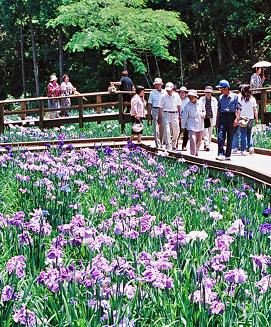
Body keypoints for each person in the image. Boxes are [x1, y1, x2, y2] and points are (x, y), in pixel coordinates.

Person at [216, 80, 242, 161]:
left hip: (231, 117)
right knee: (220, 135)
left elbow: (238, 108)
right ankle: (220, 153)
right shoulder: (220, 97)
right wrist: (217, 120)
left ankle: (227, 155)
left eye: (221, 88)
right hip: (222, 117)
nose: (220, 90)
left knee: (230, 136)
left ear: (226, 88)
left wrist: (237, 119)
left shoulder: (235, 96)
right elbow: (219, 109)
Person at [182, 90, 206, 156]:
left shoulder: (200, 103)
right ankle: (193, 154)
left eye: (192, 97)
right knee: (192, 138)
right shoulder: (187, 105)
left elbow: (204, 110)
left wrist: (203, 114)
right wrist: (183, 126)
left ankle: (196, 151)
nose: (190, 98)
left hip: (200, 123)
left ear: (195, 97)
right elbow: (184, 117)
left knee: (199, 140)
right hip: (191, 123)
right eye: (189, 97)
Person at [158, 82, 181, 151]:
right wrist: (160, 117)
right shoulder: (163, 96)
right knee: (167, 131)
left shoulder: (176, 95)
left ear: (172, 89)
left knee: (176, 131)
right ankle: (168, 146)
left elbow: (178, 106)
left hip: (175, 114)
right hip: (166, 114)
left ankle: (174, 144)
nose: (168, 91)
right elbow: (160, 107)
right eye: (167, 90)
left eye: (169, 90)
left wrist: (180, 115)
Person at [237, 84, 258, 155]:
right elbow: (255, 110)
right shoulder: (252, 99)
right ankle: (251, 147)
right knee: (249, 133)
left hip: (242, 118)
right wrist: (257, 119)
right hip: (250, 118)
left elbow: (238, 109)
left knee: (243, 134)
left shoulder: (240, 98)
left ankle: (243, 150)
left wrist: (237, 118)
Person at [147, 77, 166, 147]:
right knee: (156, 128)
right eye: (156, 84)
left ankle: (161, 142)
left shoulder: (165, 92)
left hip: (163, 110)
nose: (157, 86)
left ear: (161, 84)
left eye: (158, 84)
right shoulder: (152, 93)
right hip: (155, 109)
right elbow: (149, 104)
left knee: (163, 127)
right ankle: (157, 144)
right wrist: (149, 115)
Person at [199, 86, 218, 151]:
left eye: (209, 92)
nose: (208, 93)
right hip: (205, 117)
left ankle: (207, 144)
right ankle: (207, 144)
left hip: (212, 117)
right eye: (207, 92)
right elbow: (199, 108)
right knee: (205, 131)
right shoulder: (201, 99)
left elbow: (216, 109)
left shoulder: (214, 100)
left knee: (210, 131)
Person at [177, 86, 189, 151]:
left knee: (186, 133)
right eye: (181, 92)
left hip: (186, 118)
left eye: (183, 92)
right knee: (177, 131)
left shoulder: (188, 100)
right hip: (178, 117)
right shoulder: (176, 98)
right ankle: (175, 144)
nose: (182, 94)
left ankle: (184, 146)